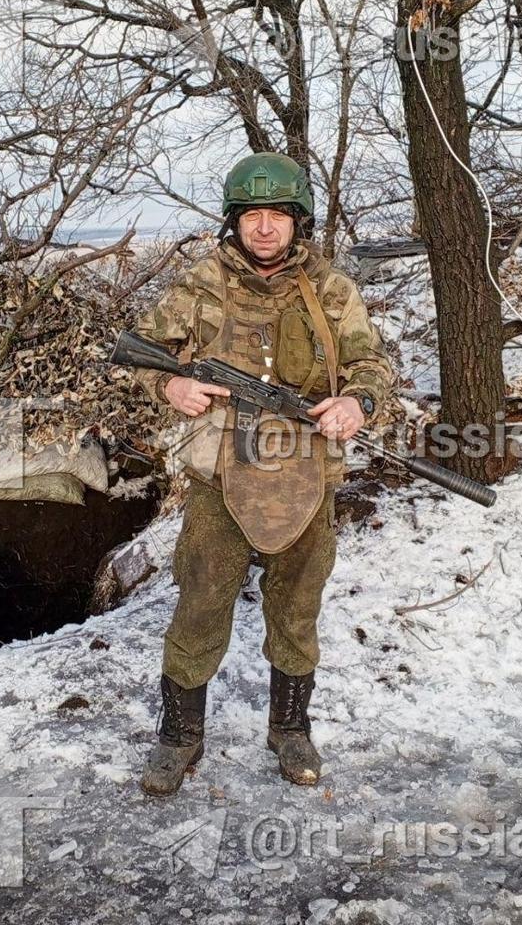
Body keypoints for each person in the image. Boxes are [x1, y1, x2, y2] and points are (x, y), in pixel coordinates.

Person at [129, 152, 394, 796]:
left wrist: (358, 401)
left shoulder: (331, 292)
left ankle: (290, 728)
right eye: (253, 215)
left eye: (278, 215)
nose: (266, 228)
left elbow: (373, 364)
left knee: (298, 604)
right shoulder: (199, 286)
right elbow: (141, 350)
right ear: (235, 222)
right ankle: (179, 737)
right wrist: (170, 384)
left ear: (298, 223)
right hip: (220, 474)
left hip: (305, 474)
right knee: (201, 601)